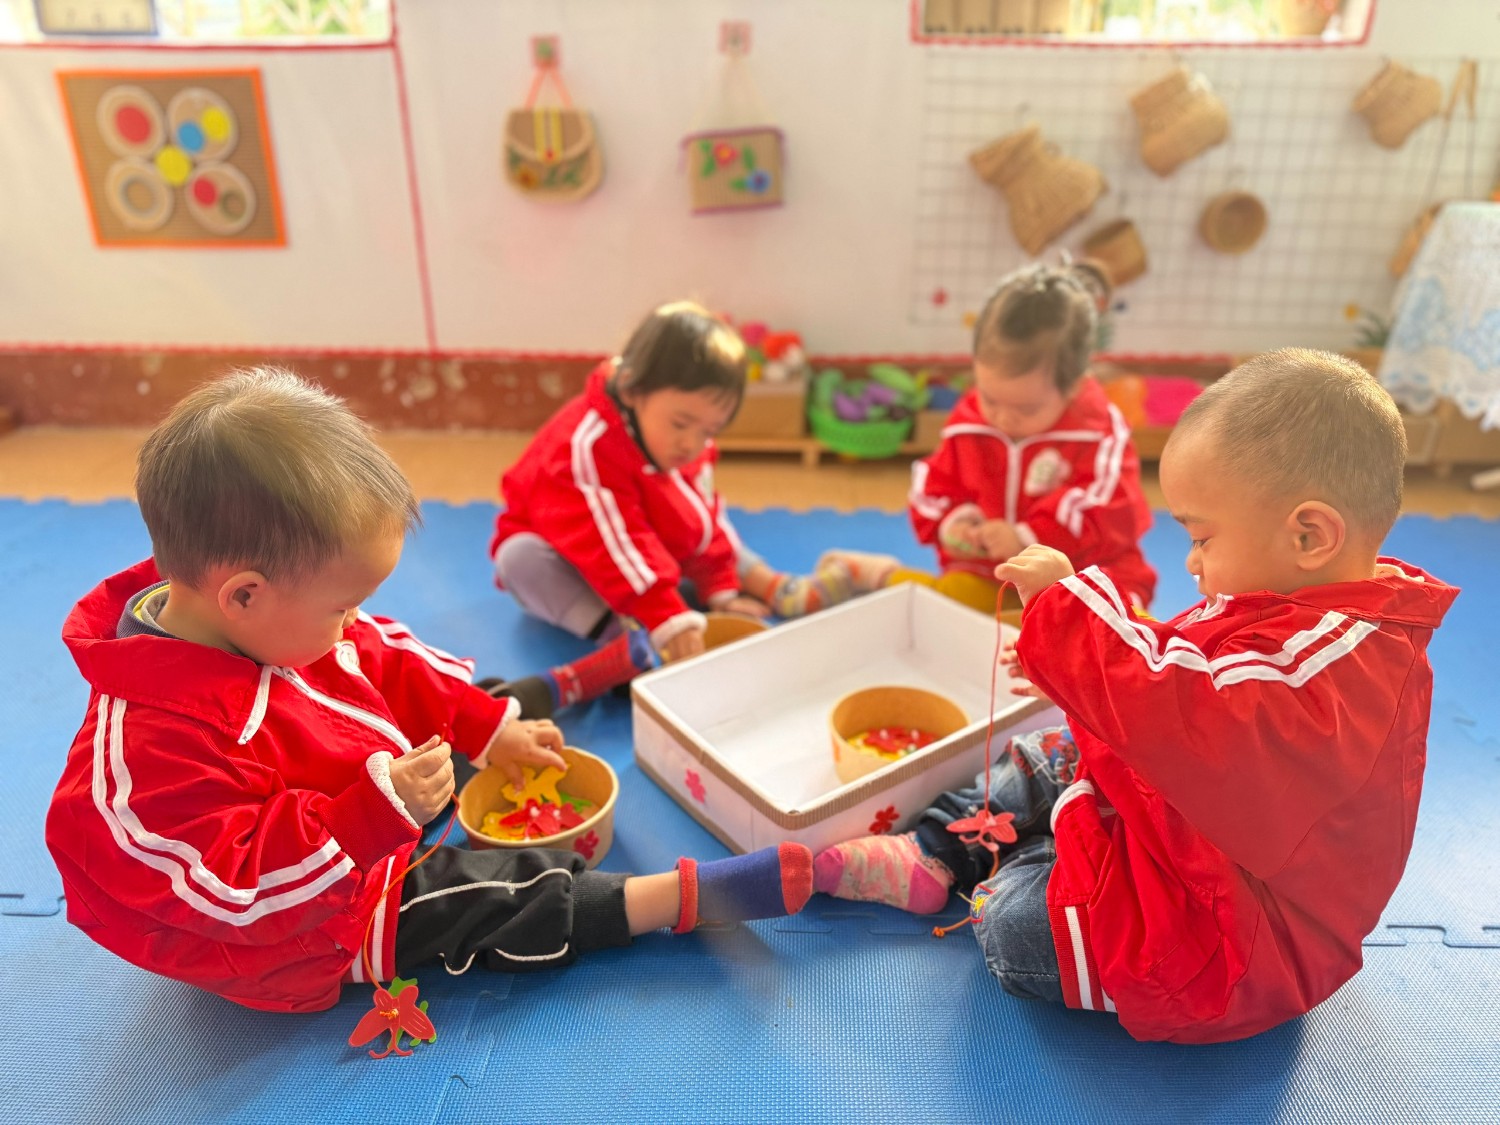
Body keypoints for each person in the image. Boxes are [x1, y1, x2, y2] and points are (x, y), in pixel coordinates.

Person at [45, 368, 813, 1015]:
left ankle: (563, 683)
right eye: (341, 606)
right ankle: (676, 899)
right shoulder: (144, 760)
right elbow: (238, 892)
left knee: (458, 700)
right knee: (476, 897)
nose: (354, 621)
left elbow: (388, 658)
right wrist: (371, 814)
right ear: (244, 594)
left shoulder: (265, 618)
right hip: (298, 927)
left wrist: (490, 729)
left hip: (356, 797)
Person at [814, 349, 1456, 1043]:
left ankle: (1010, 853)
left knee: (1011, 924)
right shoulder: (1311, 601)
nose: (1191, 560)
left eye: (1202, 537)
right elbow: (1188, 663)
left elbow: (1195, 708)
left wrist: (1071, 620)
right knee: (1049, 748)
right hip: (1198, 836)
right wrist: (1071, 664)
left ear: (1310, 534)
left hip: (1231, 945)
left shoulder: (1338, 665)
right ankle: (934, 849)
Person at [491, 301, 852, 696]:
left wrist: (721, 588)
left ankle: (767, 584)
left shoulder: (681, 441)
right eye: (681, 424)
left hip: (639, 557)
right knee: (519, 558)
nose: (693, 443)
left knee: (701, 524)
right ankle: (622, 638)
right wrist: (666, 616)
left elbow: (703, 518)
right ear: (631, 389)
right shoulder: (585, 448)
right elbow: (610, 543)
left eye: (710, 430)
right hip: (576, 559)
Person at [823, 262, 1156, 616]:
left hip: (1084, 581)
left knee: (1116, 629)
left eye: (1026, 409)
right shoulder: (969, 423)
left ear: (1074, 385)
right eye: (990, 399)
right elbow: (933, 485)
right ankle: (870, 576)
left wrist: (1025, 537)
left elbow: (1108, 513)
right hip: (991, 577)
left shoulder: (1099, 431)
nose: (1002, 418)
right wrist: (955, 523)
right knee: (947, 610)